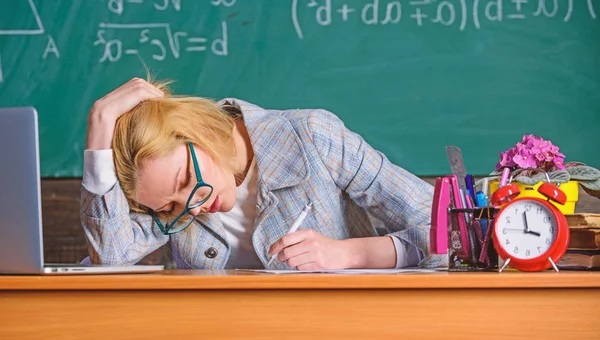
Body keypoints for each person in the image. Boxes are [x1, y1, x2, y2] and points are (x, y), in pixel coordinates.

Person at [81, 77, 445, 270]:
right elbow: (111, 257)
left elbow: (450, 233)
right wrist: (98, 131)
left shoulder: (311, 137)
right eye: (169, 208)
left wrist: (349, 254)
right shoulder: (175, 205)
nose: (190, 209)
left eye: (186, 183)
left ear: (200, 130)